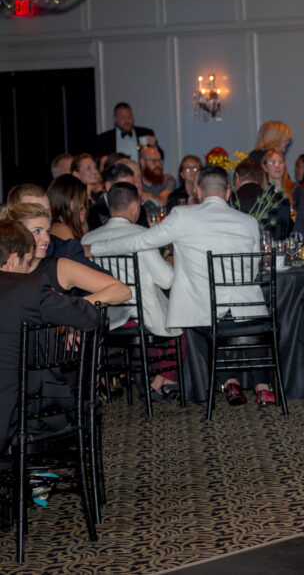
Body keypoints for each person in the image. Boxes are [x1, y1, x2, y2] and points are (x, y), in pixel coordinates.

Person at [83, 166, 275, 406]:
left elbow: (141, 241)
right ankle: (262, 386)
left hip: (202, 314)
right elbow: (254, 268)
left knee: (193, 323)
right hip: (248, 311)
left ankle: (223, 383)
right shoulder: (248, 222)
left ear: (197, 191)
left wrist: (95, 249)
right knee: (230, 318)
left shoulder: (183, 216)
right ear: (227, 193)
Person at [0, 219, 101, 454]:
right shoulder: (29, 287)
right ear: (13, 259)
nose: (29, 270)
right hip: (19, 417)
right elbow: (90, 318)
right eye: (27, 263)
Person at [82, 183, 182, 396]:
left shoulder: (87, 240)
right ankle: (163, 380)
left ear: (109, 204)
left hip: (103, 316)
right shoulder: (143, 235)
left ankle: (157, 381)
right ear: (136, 206)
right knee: (179, 317)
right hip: (140, 315)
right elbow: (166, 281)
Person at [0, 203, 130, 309]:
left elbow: (122, 291)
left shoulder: (59, 268)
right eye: (37, 231)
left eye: (47, 231)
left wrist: (71, 309)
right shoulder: (6, 267)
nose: (46, 239)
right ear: (17, 233)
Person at [6, 184, 108, 274]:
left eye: (47, 211)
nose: (44, 217)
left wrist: (58, 297)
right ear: (14, 215)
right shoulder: (4, 249)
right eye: (35, 211)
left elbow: (111, 284)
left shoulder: (66, 251)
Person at [233, 159, 291, 240]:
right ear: (262, 178)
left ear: (237, 177)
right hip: (272, 251)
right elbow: (284, 234)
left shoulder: (230, 200)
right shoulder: (279, 200)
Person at [87, 162, 150, 230]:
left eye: (131, 187)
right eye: (123, 186)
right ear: (108, 186)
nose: (128, 191)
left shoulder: (139, 210)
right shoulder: (93, 213)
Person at [92, 102, 156, 159]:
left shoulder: (144, 133)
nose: (127, 120)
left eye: (129, 116)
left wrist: (154, 147)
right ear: (115, 119)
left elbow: (160, 158)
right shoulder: (104, 139)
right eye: (122, 117)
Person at [47, 174, 90, 241]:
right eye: (77, 201)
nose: (82, 206)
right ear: (62, 201)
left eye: (84, 200)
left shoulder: (72, 228)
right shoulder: (60, 228)